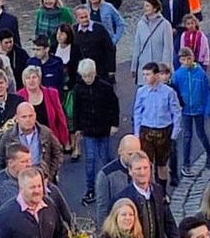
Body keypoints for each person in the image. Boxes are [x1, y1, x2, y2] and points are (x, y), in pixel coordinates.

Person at [115, 151, 180, 238]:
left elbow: (169, 224)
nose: (143, 172)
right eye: (138, 168)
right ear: (130, 171)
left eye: (146, 168)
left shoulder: (158, 191)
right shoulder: (123, 198)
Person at [73, 59, 119, 205]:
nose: (87, 79)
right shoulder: (78, 89)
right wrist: (78, 128)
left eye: (89, 76)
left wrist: (114, 124)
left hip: (103, 127)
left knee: (105, 158)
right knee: (90, 160)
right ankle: (90, 189)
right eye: (84, 76)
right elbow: (77, 110)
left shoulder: (105, 87)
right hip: (88, 129)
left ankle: (111, 186)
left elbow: (114, 106)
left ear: (94, 73)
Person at [133, 62, 181, 191]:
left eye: (148, 74)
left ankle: (162, 191)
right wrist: (137, 133)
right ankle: (150, 190)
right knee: (147, 163)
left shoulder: (168, 92)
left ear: (156, 75)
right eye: (144, 74)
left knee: (161, 164)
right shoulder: (141, 92)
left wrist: (174, 133)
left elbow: (176, 112)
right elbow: (137, 112)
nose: (145, 77)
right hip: (146, 130)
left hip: (163, 131)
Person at [0, 102, 63, 180]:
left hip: (41, 179)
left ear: (35, 115)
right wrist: (5, 184)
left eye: (31, 116)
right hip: (16, 180)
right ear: (17, 118)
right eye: (24, 117)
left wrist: (49, 175)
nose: (28, 120)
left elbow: (57, 153)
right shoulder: (6, 137)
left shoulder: (45, 132)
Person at [172, 48, 210, 177]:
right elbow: (175, 92)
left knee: (201, 133)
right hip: (185, 110)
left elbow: (207, 91)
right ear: (180, 60)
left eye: (188, 59)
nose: (186, 62)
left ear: (193, 58)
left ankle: (209, 152)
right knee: (187, 136)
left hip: (198, 108)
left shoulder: (200, 73)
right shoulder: (178, 75)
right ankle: (186, 164)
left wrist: (207, 108)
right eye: (183, 60)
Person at [15, 66, 70, 148]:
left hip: (50, 141)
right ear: (24, 81)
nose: (31, 80)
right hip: (27, 144)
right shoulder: (18, 96)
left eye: (34, 77)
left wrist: (64, 140)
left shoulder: (52, 93)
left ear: (39, 79)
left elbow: (61, 118)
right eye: (28, 78)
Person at [95, 135, 141, 219]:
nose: (134, 158)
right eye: (130, 154)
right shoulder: (106, 175)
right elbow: (102, 208)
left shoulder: (144, 169)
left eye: (137, 153)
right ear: (120, 151)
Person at [132, 0, 174, 87]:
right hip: (144, 68)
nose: (145, 8)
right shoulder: (140, 24)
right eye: (144, 6)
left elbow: (168, 48)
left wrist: (165, 69)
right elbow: (137, 47)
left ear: (155, 8)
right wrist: (134, 67)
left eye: (147, 6)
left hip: (158, 67)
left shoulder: (165, 25)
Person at [71, 5, 116, 82]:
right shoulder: (73, 30)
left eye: (86, 16)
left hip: (100, 71)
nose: (85, 19)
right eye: (82, 18)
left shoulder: (99, 28)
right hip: (82, 72)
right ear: (76, 19)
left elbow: (110, 49)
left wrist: (111, 69)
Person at [158, 63, 181, 188]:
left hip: (170, 124)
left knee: (172, 151)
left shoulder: (172, 88)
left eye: (165, 74)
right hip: (159, 125)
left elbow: (179, 104)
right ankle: (160, 176)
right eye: (161, 74)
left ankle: (174, 174)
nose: (163, 77)